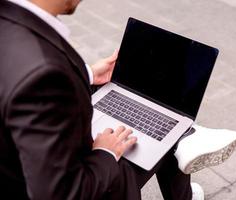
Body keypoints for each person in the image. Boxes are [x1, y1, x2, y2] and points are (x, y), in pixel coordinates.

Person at [0, 0, 206, 199]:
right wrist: (105, 153)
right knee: (170, 136)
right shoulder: (42, 74)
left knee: (169, 129)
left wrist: (88, 74)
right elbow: (60, 193)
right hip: (78, 178)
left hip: (22, 159)